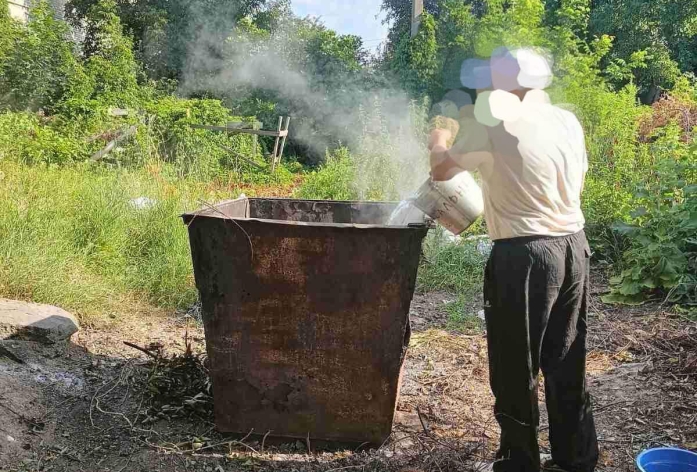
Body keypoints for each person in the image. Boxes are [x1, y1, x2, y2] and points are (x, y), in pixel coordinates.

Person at [428, 48, 599, 472]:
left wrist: (441, 133)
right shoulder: (567, 120)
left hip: (524, 257)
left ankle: (519, 462)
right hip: (573, 246)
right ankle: (575, 459)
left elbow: (440, 172)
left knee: (513, 364)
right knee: (566, 357)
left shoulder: (491, 123)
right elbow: (576, 177)